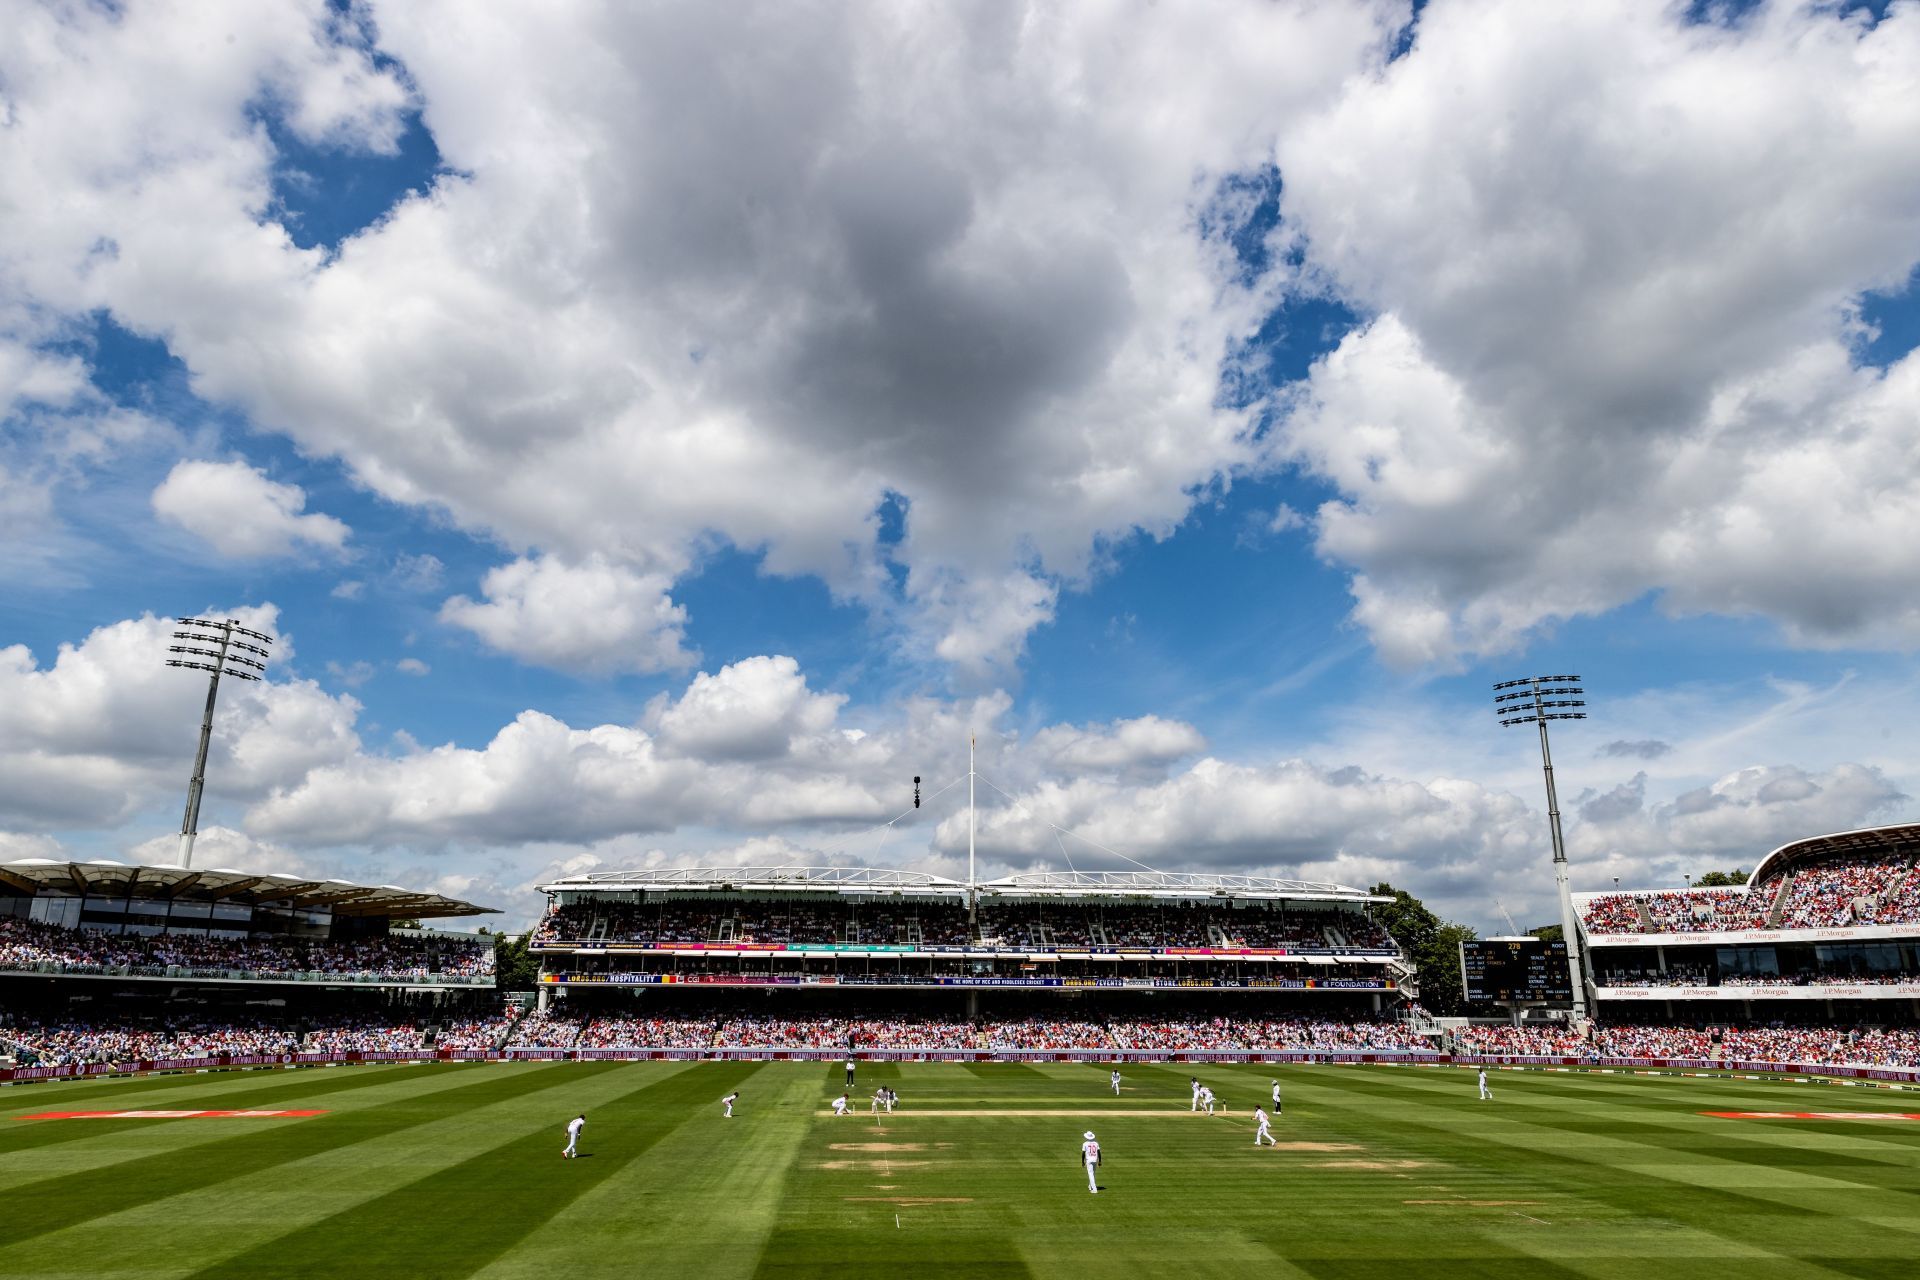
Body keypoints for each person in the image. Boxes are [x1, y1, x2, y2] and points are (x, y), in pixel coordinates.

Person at [1080, 1130, 1101, 1194]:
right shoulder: (1096, 1143)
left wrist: (1082, 1161)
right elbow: (1099, 1152)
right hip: (1095, 1159)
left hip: (1089, 1160)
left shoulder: (1085, 1144)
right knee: (1093, 1173)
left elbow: (1083, 1153)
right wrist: (1100, 1161)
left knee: (1090, 1174)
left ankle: (1094, 1189)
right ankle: (1090, 1186)